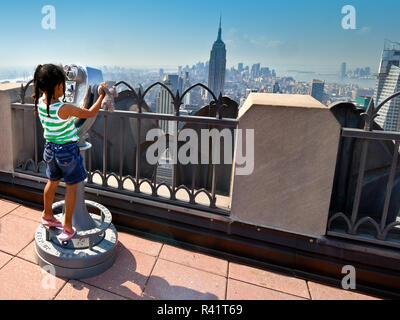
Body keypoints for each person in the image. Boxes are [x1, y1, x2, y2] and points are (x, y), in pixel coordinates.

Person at [32, 64, 106, 241]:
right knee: (71, 187)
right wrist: (101, 96)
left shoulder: (41, 102)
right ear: (58, 86)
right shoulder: (64, 108)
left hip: (50, 149)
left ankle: (47, 215)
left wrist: (80, 101)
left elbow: (70, 112)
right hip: (67, 151)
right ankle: (67, 226)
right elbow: (89, 113)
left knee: (52, 182)